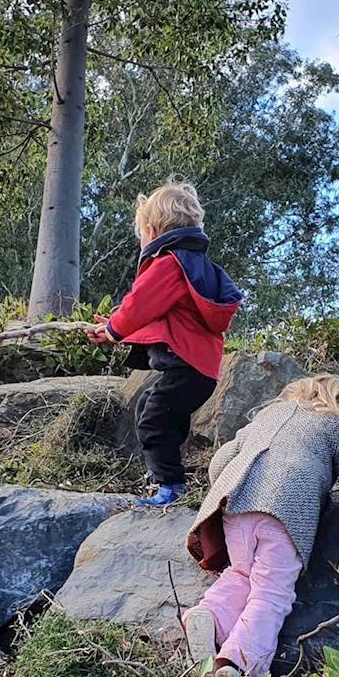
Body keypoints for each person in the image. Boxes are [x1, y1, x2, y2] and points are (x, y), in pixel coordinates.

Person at [181, 375, 339, 677]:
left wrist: (225, 490)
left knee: (242, 572)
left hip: (236, 500)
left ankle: (210, 616)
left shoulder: (269, 415)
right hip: (286, 507)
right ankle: (238, 662)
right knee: (271, 591)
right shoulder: (333, 423)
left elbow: (221, 460)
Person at [86, 179, 242, 507]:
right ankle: (163, 471)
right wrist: (115, 330)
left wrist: (115, 328)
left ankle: (170, 485)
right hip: (198, 369)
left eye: (140, 232)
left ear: (152, 230)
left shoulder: (169, 263)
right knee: (154, 410)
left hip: (187, 367)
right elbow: (160, 319)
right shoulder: (192, 266)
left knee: (153, 417)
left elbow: (140, 304)